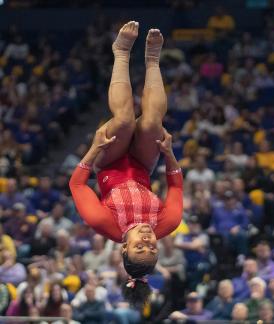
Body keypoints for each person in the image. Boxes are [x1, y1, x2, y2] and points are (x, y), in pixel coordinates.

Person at [69, 21, 183, 308]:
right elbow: (175, 184)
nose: (147, 239)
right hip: (143, 164)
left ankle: (120, 53)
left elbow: (76, 184)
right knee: (152, 125)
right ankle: (152, 60)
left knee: (123, 121)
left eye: (139, 246)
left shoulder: (103, 222)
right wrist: (169, 153)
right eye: (151, 246)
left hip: (109, 161)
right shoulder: (167, 223)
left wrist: (95, 148)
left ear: (124, 247)